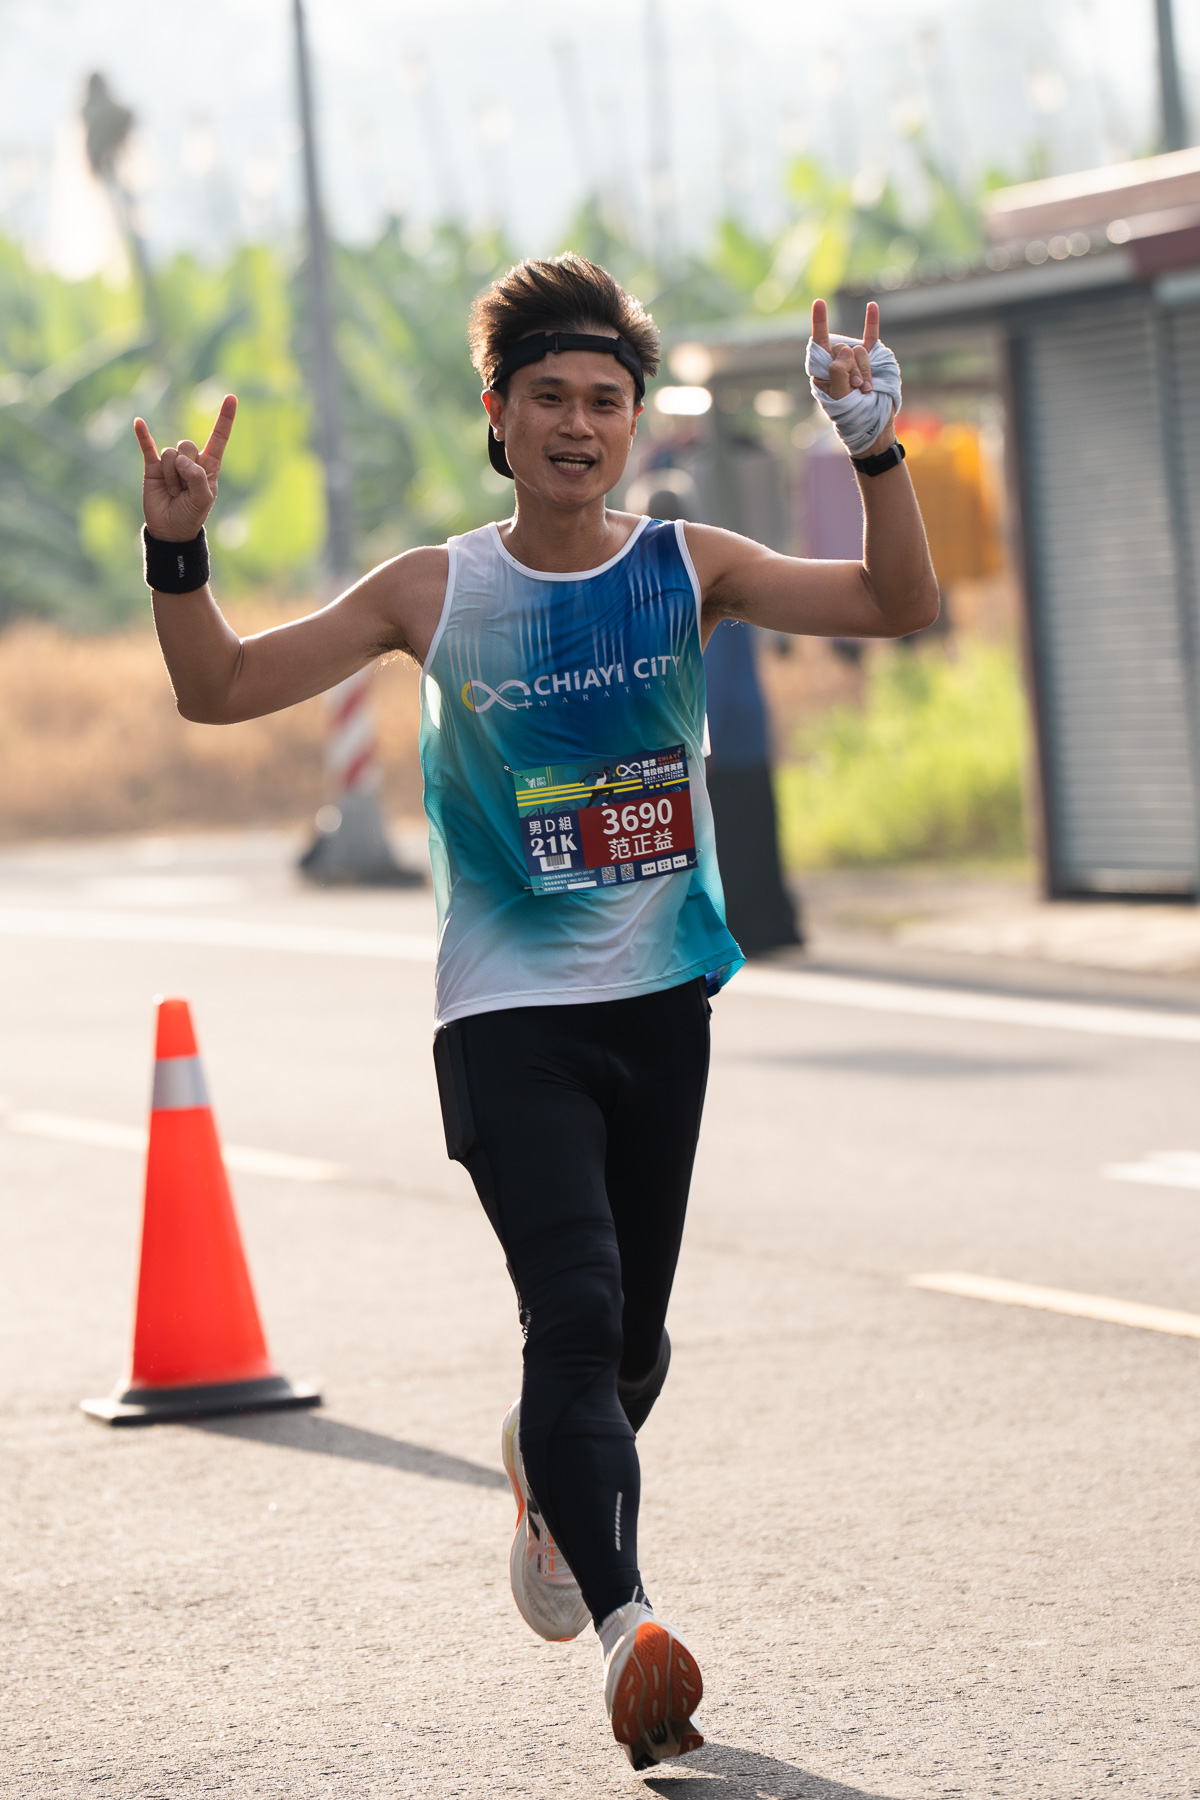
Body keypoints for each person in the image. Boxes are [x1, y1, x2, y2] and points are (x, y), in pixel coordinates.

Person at [134, 255, 937, 1771]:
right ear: (497, 418)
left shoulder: (688, 568)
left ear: (632, 422)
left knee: (630, 1350)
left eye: (606, 401)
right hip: (508, 1016)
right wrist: (179, 553)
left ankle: (548, 1477)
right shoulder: (435, 591)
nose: (579, 424)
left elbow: (900, 603)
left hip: (662, 1004)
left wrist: (873, 450)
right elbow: (220, 687)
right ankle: (635, 1633)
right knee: (570, 1309)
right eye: (549, 398)